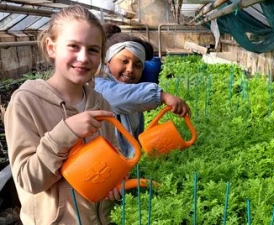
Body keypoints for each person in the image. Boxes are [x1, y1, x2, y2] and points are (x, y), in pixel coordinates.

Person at [4, 5, 124, 225]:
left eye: (93, 50)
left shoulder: (100, 103)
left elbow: (112, 157)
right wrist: (64, 133)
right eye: (73, 46)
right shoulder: (27, 102)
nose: (83, 57)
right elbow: (28, 180)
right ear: (51, 48)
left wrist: (116, 182)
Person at [95, 23, 191, 158]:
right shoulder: (97, 85)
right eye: (124, 61)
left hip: (124, 165)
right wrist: (161, 95)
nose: (130, 69)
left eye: (138, 65)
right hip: (101, 164)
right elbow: (114, 98)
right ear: (107, 62)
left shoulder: (133, 93)